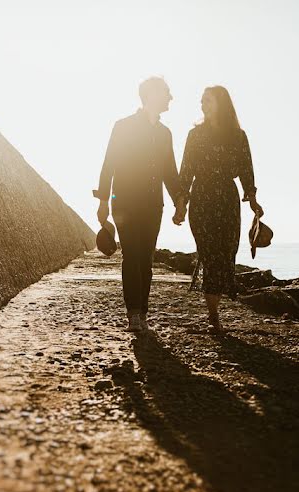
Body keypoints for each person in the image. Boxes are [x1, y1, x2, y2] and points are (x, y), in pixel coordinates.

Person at [94, 77, 186, 332]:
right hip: (124, 202)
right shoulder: (123, 126)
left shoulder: (165, 133)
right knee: (132, 255)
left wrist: (179, 200)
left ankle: (142, 312)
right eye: (167, 92)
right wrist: (103, 201)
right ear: (152, 94)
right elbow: (109, 164)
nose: (171, 97)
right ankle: (134, 312)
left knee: (146, 258)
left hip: (153, 205)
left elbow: (170, 171)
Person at [179, 86, 263, 333]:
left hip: (227, 199)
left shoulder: (238, 136)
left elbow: (247, 170)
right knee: (210, 253)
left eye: (207, 100)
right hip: (202, 198)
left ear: (221, 103)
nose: (202, 104)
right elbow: (186, 172)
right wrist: (181, 204)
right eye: (201, 100)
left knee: (226, 252)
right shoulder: (195, 135)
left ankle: (214, 309)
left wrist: (253, 200)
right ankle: (213, 315)